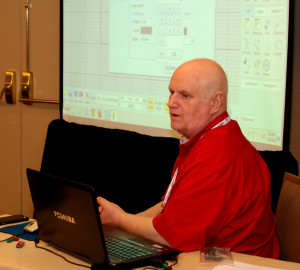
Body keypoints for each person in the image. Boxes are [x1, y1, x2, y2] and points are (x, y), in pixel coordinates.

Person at [97, 58, 280, 258]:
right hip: (216, 253)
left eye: (185, 95)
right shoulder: (211, 137)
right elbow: (169, 209)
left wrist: (120, 220)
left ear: (215, 103)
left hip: (232, 262)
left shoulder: (215, 157)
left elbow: (170, 235)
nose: (171, 102)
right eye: (171, 92)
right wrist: (124, 222)